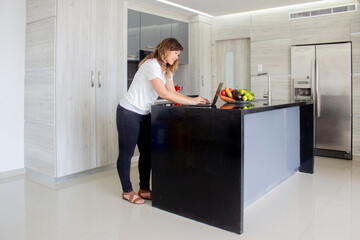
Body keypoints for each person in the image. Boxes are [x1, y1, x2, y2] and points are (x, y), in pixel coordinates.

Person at [116, 38, 209, 204]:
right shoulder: (151, 65)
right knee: (127, 153)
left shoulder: (167, 69)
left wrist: (195, 99)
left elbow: (173, 92)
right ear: (166, 50)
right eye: (175, 53)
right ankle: (127, 191)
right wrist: (193, 101)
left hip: (144, 113)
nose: (176, 58)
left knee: (147, 152)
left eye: (178, 55)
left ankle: (144, 188)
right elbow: (164, 94)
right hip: (128, 112)